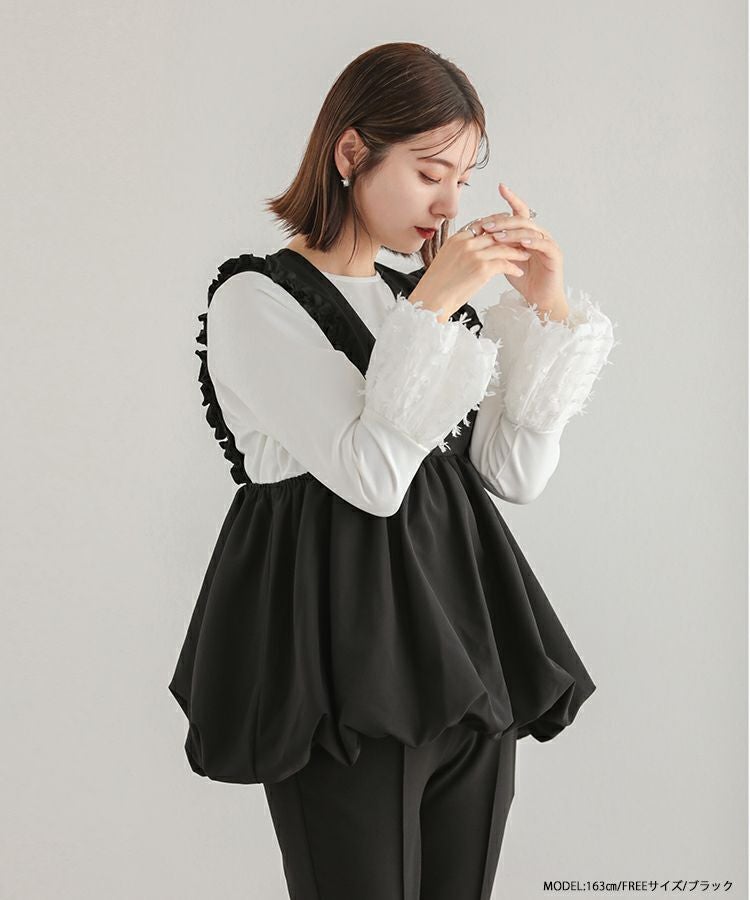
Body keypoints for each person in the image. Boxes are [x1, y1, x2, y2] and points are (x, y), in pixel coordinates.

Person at [168, 41, 618, 900]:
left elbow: (512, 473)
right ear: (351, 152)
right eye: (429, 172)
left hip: (467, 654)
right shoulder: (257, 299)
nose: (449, 204)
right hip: (341, 672)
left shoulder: (417, 304)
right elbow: (372, 478)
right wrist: (435, 304)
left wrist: (548, 308)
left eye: (463, 179)